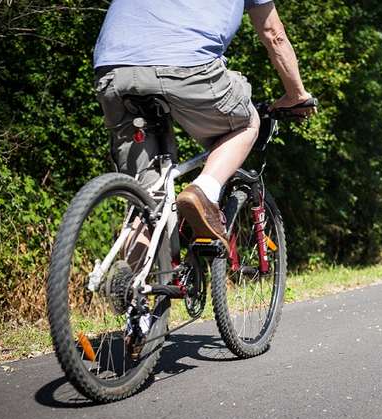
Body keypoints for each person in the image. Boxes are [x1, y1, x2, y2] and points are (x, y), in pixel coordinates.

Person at [93, 0, 315, 247]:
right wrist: (297, 95)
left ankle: (127, 281)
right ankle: (203, 190)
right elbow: (273, 34)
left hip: (112, 72)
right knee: (248, 122)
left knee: (147, 202)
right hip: (186, 66)